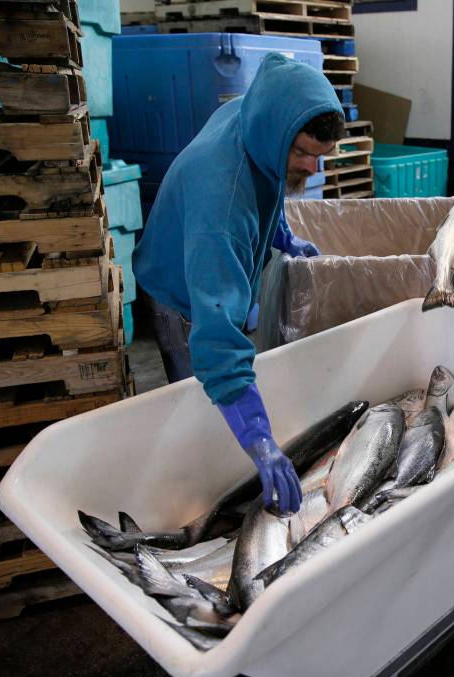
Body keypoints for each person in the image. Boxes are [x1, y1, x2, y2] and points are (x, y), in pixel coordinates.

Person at [132, 53, 346, 514]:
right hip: (181, 293)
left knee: (225, 394)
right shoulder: (222, 206)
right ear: (278, 133)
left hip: (204, 253)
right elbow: (217, 341)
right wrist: (260, 439)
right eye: (303, 153)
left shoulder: (258, 117)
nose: (312, 169)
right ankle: (199, 501)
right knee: (204, 397)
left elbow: (270, 184)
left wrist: (285, 238)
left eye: (320, 157)